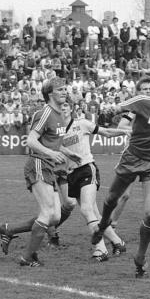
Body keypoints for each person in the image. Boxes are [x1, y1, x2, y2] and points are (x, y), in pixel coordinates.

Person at [91, 69, 150, 278]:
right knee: (112, 198)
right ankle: (103, 225)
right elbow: (118, 109)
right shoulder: (144, 102)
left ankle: (140, 257)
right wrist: (109, 111)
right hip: (133, 158)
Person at [0, 78, 72, 267]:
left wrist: (69, 154)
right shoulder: (45, 113)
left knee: (54, 216)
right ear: (49, 93)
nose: (65, 91)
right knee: (47, 213)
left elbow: (53, 142)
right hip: (38, 164)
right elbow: (31, 141)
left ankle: (9, 230)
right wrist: (52, 153)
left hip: (48, 166)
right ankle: (28, 257)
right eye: (60, 89)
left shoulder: (59, 114)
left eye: (65, 88)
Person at [55, 102, 130, 261]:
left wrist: (125, 131)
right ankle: (118, 242)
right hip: (71, 174)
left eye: (65, 106)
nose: (63, 108)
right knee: (94, 214)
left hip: (87, 169)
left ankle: (100, 249)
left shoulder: (81, 124)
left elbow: (106, 132)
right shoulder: (56, 132)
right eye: (60, 107)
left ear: (71, 109)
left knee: (87, 209)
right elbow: (52, 146)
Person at [109, 76, 150, 243]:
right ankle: (111, 226)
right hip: (134, 155)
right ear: (138, 93)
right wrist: (139, 130)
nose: (148, 92)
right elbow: (121, 127)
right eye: (144, 89)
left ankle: (148, 228)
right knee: (124, 195)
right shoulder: (135, 109)